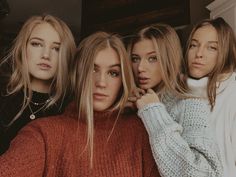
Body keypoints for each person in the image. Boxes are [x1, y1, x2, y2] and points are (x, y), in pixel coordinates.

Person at [0, 31, 160, 177]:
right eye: (92, 69)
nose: (101, 82)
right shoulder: (42, 133)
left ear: (123, 80)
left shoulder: (140, 131)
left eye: (113, 73)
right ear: (77, 73)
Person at [127, 23, 222, 177]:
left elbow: (203, 174)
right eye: (135, 58)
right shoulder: (133, 104)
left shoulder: (190, 105)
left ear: (169, 58)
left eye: (153, 58)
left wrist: (154, 112)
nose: (140, 67)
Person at [0, 14, 76, 155]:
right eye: (36, 44)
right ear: (23, 49)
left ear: (66, 56)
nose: (46, 55)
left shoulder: (70, 109)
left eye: (56, 48)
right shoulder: (4, 98)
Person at [185, 17, 236, 177]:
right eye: (194, 45)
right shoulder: (182, 94)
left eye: (211, 48)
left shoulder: (232, 92)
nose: (198, 54)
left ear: (226, 52)